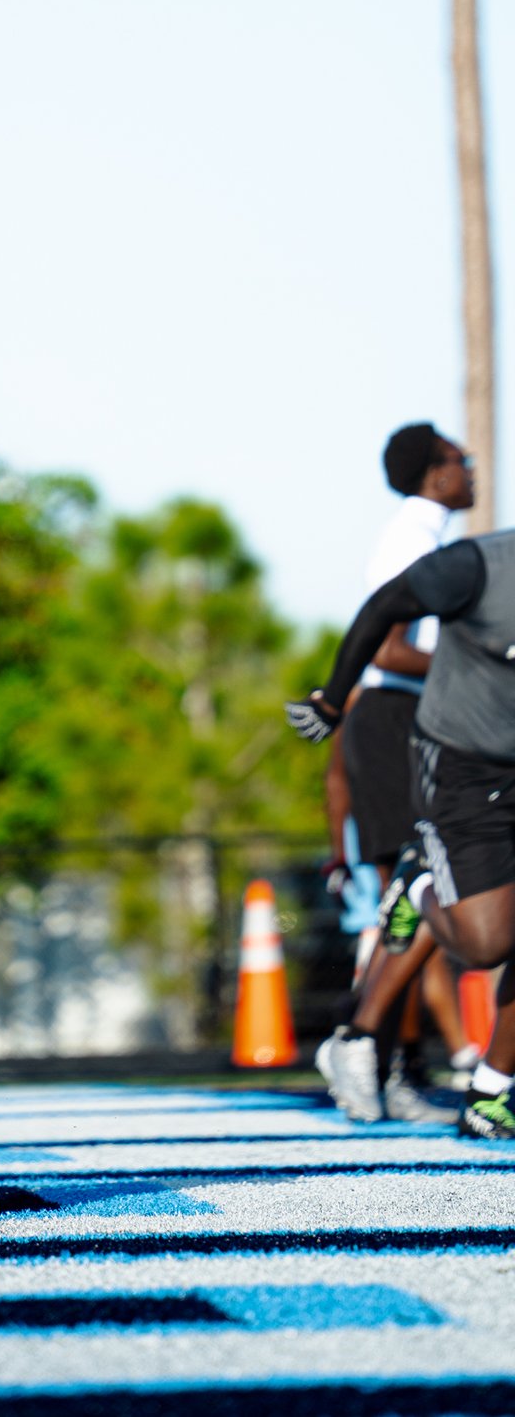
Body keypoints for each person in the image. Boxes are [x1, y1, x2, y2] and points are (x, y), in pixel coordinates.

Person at [287, 521, 515, 1139]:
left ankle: (490, 1092)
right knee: (487, 945)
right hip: (465, 764)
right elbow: (385, 606)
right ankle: (416, 884)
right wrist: (333, 699)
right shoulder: (482, 565)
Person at [315, 425, 475, 1124]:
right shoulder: (413, 536)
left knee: (421, 898)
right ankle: (376, 1054)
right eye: (461, 460)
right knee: (414, 895)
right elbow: (389, 649)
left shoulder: (429, 533)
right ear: (435, 473)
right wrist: (481, 668)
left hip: (414, 721)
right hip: (391, 721)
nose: (471, 469)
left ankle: (391, 1063)